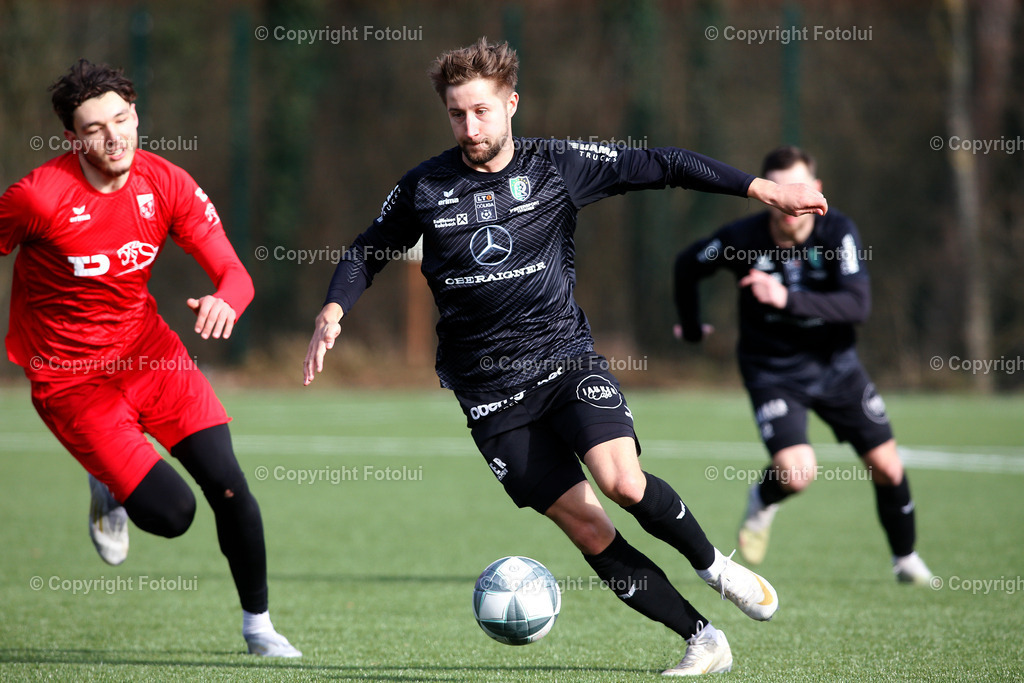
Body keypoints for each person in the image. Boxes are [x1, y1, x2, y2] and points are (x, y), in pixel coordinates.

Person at [304, 38, 826, 676]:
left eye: (482, 111)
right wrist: (334, 310)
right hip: (489, 395)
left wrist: (762, 189)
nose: (470, 128)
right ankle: (702, 638)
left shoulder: (557, 166)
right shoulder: (425, 186)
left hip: (564, 361)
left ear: (511, 104)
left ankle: (716, 567)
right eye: (457, 115)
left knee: (622, 482)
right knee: (589, 528)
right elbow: (367, 249)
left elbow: (661, 163)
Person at [0, 59, 300, 657]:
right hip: (71, 382)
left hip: (149, 355)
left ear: (136, 115)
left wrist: (226, 301)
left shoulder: (166, 182)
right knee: (172, 514)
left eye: (121, 119)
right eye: (94, 129)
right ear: (72, 139)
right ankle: (109, 483)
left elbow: (234, 273)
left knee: (228, 484)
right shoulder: (37, 197)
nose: (113, 138)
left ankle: (260, 628)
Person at [672, 145, 933, 586]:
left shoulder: (838, 232)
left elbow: (857, 305)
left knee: (888, 467)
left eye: (799, 187)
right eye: (780, 190)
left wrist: (785, 298)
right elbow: (687, 265)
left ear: (817, 189)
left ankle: (905, 559)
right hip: (772, 371)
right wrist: (693, 327)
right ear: (767, 194)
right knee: (796, 474)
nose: (790, 201)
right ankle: (763, 499)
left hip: (837, 367)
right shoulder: (741, 239)